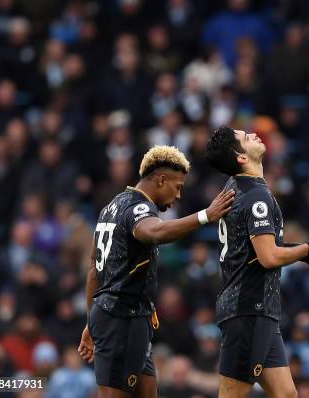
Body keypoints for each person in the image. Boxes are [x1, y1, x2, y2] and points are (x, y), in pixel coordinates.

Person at [77, 145, 235, 398]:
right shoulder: (138, 209)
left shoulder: (111, 206)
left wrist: (92, 321)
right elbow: (155, 232)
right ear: (161, 180)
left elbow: (94, 271)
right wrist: (206, 216)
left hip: (126, 318)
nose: (179, 195)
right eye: (178, 186)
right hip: (121, 320)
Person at [204, 126, 309, 398]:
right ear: (241, 157)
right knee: (231, 395)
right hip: (249, 307)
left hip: (257, 308)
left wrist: (305, 252)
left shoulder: (235, 188)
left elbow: (257, 250)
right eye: (244, 137)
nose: (252, 134)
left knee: (286, 394)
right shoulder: (256, 195)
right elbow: (268, 256)